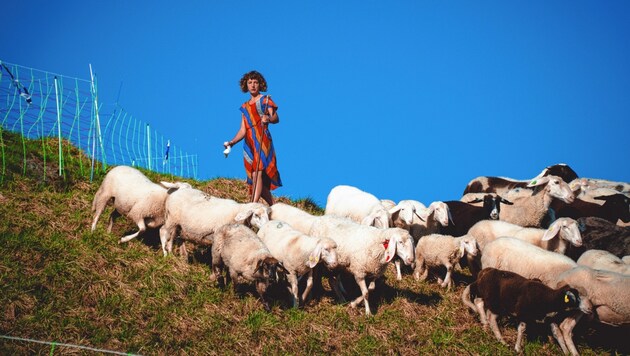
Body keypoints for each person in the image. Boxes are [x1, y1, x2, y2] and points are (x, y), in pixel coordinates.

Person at [224, 70, 282, 205]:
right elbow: (243, 129)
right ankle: (273, 206)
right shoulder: (244, 107)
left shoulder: (265, 100)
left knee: (257, 172)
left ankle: (252, 204)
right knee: (255, 177)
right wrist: (232, 142)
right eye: (250, 82)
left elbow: (276, 118)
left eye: (255, 82)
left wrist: (268, 118)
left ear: (260, 84)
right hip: (250, 142)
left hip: (262, 140)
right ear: (246, 85)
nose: (253, 85)